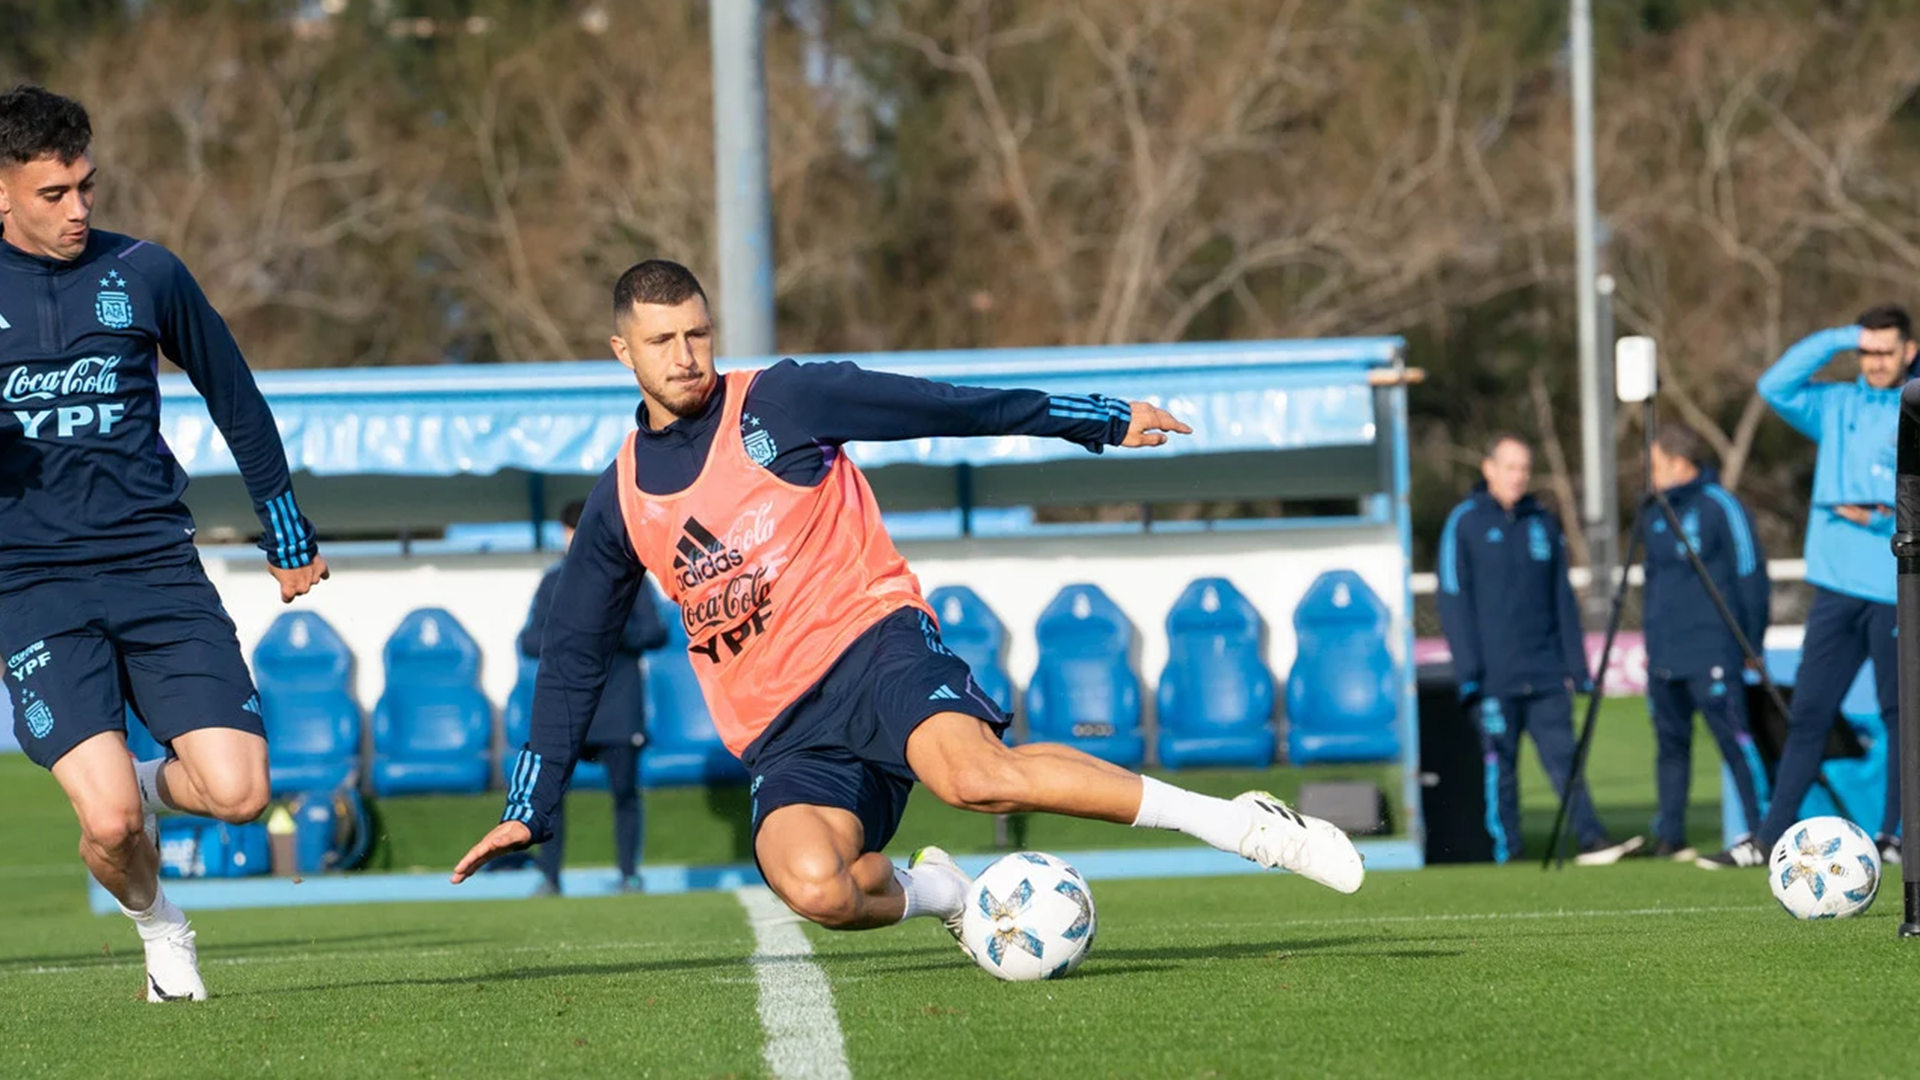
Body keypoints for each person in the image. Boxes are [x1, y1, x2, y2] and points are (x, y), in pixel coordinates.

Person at [454, 259, 1366, 938]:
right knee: (818, 890)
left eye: (697, 332)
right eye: (662, 341)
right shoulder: (620, 498)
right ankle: (942, 894)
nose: (687, 355)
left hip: (874, 644)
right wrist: (530, 805)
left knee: (974, 778)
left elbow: (945, 404)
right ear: (623, 351)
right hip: (781, 730)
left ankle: (1242, 823)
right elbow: (573, 651)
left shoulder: (781, 405)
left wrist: (1088, 418)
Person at [0, 86, 328, 1001]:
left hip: (156, 569)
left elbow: (235, 395)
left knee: (240, 794)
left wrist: (287, 528)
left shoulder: (146, 272)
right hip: (32, 586)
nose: (78, 210)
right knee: (106, 825)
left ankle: (141, 780)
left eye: (86, 188)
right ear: (2, 194)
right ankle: (162, 930)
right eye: (53, 194)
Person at [1702, 307, 1911, 868]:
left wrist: (1877, 517)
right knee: (1809, 715)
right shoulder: (1836, 404)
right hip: (1835, 589)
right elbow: (1775, 383)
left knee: (1902, 716)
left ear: (1909, 352)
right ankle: (1769, 837)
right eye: (1866, 352)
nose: (1875, 362)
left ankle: (1896, 836)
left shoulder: (1912, 408)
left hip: (1897, 588)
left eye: (1886, 351)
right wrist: (1843, 336)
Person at [1436, 434, 1643, 866]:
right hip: (1493, 676)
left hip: (1546, 672)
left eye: (1524, 469)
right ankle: (1507, 852)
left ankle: (1591, 840)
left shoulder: (1543, 523)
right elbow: (1453, 600)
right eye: (1510, 467)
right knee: (1501, 770)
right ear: (1489, 468)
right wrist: (1470, 672)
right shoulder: (1466, 522)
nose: (1518, 477)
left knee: (1565, 760)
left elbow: (1563, 601)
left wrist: (1578, 668)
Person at [517, 498, 667, 895]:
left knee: (624, 794)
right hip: (568, 710)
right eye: (571, 531)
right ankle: (549, 877)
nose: (576, 538)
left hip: (618, 706)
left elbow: (656, 633)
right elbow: (530, 640)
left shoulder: (631, 577)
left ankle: (629, 874)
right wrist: (571, 640)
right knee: (551, 796)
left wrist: (607, 636)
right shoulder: (554, 582)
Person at [1636, 424, 1770, 862]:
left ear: (1678, 463)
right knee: (1670, 749)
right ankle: (1670, 836)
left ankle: (1764, 831)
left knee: (1736, 741)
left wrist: (1751, 643)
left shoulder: (1719, 505)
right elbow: (1652, 584)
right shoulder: (1652, 513)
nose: (1648, 473)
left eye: (1654, 465)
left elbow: (1750, 574)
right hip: (1665, 656)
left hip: (1713, 650)